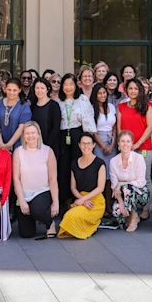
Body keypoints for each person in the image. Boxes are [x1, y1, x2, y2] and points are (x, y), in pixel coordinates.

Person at [12, 122, 59, 238]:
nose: (30, 136)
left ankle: (49, 223)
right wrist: (21, 200)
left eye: (33, 133)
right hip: (24, 194)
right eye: (27, 133)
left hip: (42, 192)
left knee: (37, 210)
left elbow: (53, 179)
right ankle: (32, 218)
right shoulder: (18, 152)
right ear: (23, 136)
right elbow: (16, 179)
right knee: (26, 234)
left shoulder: (48, 151)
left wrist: (55, 202)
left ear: (38, 134)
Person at [57, 134, 107, 239]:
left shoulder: (100, 163)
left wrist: (83, 200)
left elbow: (100, 188)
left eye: (88, 143)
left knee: (71, 216)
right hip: (81, 199)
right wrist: (82, 200)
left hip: (95, 202)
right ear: (79, 145)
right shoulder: (74, 163)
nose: (86, 146)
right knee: (68, 215)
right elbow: (73, 187)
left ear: (93, 145)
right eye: (83, 143)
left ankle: (92, 224)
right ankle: (88, 226)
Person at [116, 78, 152, 207]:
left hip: (143, 148)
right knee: (128, 178)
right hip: (126, 149)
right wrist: (123, 145)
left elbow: (150, 127)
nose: (133, 91)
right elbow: (119, 128)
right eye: (130, 88)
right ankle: (131, 208)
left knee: (145, 178)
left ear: (140, 90)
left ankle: (146, 208)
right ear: (126, 90)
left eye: (136, 88)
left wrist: (137, 144)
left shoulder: (147, 106)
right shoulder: (121, 107)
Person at [58, 73, 96, 206]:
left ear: (76, 85)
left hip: (78, 135)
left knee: (78, 165)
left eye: (71, 84)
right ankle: (65, 200)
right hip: (63, 136)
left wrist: (87, 142)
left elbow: (88, 120)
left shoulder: (82, 99)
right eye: (65, 84)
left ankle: (80, 198)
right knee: (63, 168)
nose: (68, 87)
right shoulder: (58, 101)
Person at [109, 131, 150, 232]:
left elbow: (140, 182)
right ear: (118, 144)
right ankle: (129, 215)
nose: (125, 144)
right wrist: (121, 203)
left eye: (128, 141)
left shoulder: (139, 158)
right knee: (117, 211)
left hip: (140, 194)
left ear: (132, 144)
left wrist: (122, 183)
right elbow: (114, 186)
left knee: (127, 187)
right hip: (123, 195)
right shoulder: (113, 161)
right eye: (122, 141)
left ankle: (134, 217)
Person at [0, 78, 31, 151]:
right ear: (5, 89)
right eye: (9, 90)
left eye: (14, 90)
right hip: (0, 144)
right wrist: (0, 142)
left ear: (19, 90)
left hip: (18, 145)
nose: (11, 92)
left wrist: (9, 144)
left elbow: (22, 127)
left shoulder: (24, 105)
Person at [29, 78, 62, 154]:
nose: (39, 90)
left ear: (47, 89)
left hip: (50, 147)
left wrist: (46, 146)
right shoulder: (32, 106)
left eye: (42, 88)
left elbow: (56, 128)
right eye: (37, 88)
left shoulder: (54, 105)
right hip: (34, 146)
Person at [90, 83, 117, 167]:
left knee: (112, 168)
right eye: (99, 93)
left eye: (104, 92)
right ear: (95, 95)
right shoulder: (92, 108)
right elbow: (93, 131)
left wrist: (112, 145)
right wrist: (103, 147)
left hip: (112, 141)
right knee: (101, 167)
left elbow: (114, 127)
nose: (102, 95)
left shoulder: (111, 106)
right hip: (99, 141)